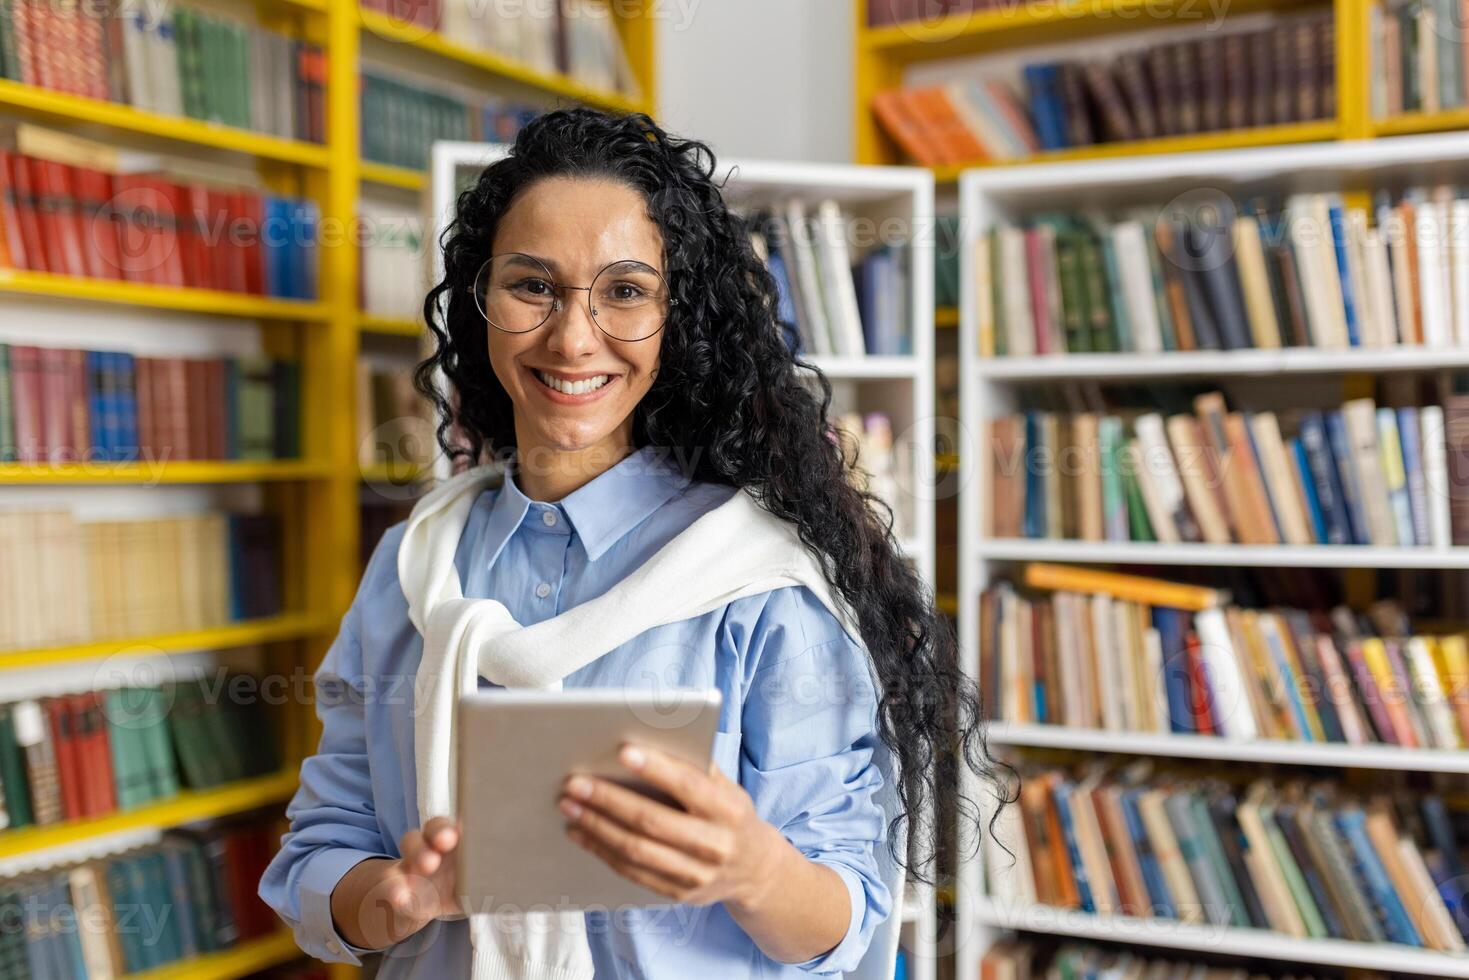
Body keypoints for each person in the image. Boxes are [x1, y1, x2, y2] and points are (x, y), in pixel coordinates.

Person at [259, 107, 992, 979]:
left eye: (625, 290)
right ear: (479, 302)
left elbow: (845, 924)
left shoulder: (757, 583)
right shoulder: (412, 566)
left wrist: (753, 868)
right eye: (533, 285)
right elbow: (322, 850)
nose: (572, 337)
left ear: (675, 318)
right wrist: (390, 901)